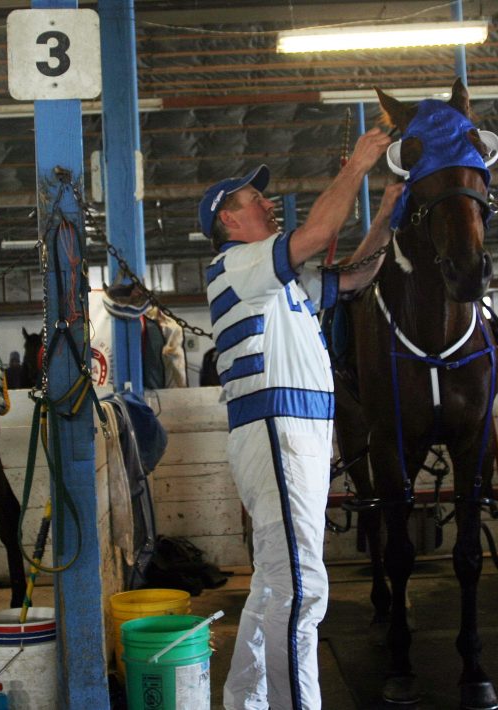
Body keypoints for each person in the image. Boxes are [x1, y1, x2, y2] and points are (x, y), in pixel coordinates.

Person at [199, 127, 400, 710]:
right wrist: (358, 166)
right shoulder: (239, 263)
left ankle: (246, 700)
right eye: (250, 200)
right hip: (278, 429)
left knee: (273, 583)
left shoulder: (276, 281)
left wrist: (385, 208)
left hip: (294, 432)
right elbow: (317, 235)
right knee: (302, 587)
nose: (266, 201)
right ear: (229, 222)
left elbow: (357, 275)